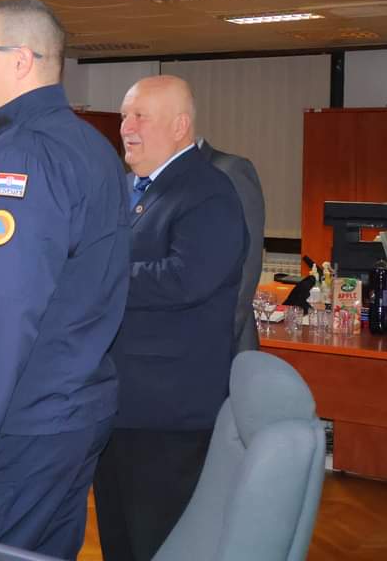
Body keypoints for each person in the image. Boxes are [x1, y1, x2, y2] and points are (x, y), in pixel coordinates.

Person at [0, 0, 129, 559]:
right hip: (72, 410)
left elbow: (2, 311)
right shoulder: (91, 146)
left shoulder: (23, 157)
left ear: (20, 60)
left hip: (19, 421)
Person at [93, 75, 247, 561]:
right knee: (118, 537)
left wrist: (97, 278)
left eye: (140, 116)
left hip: (168, 412)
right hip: (118, 402)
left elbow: (186, 278)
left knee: (159, 543)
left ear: (180, 126)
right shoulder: (127, 187)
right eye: (124, 116)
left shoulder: (208, 191)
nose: (126, 127)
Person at [199, 139, 265, 354]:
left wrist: (217, 341)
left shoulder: (230, 169)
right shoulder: (145, 179)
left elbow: (247, 266)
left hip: (219, 343)